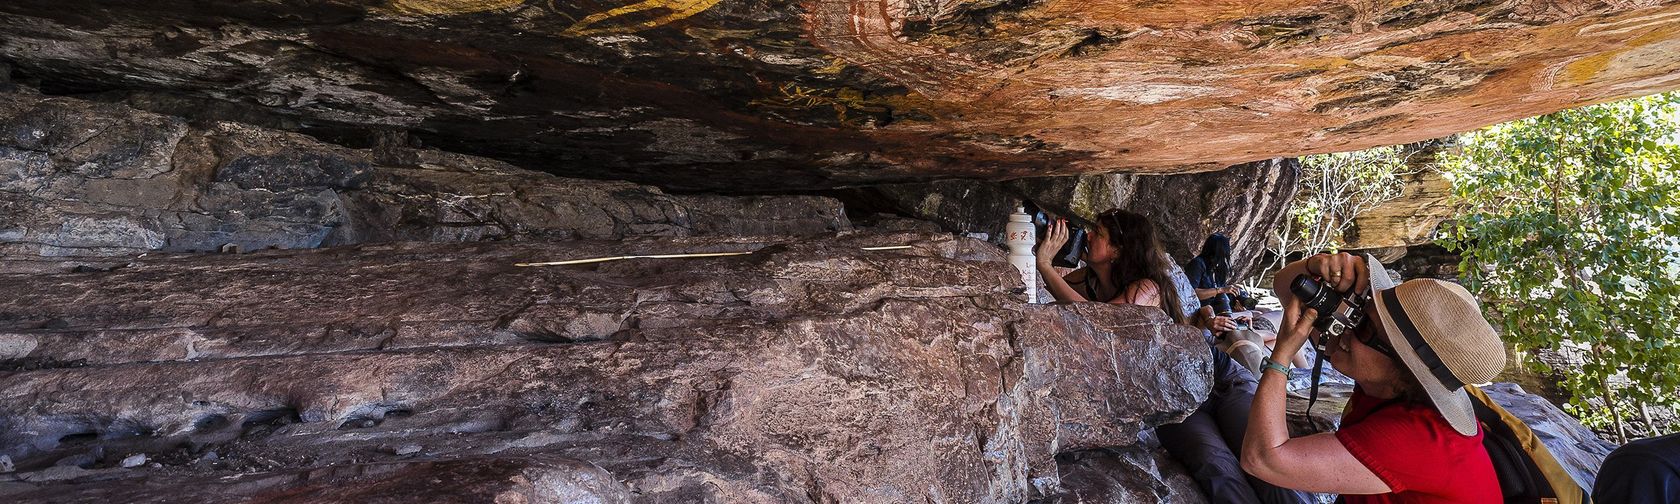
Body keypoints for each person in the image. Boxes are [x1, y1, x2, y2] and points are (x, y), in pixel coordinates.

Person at [1038, 209, 1309, 504]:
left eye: (1097, 233)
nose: (1088, 237)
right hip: (1173, 399)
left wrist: (1046, 266)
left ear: (1118, 248)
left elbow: (1101, 321)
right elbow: (1064, 296)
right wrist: (1045, 252)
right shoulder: (1088, 280)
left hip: (1221, 380)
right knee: (1214, 466)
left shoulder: (1147, 287)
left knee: (1262, 458)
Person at [1242, 252, 1505, 503]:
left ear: (1406, 370)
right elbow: (1287, 289)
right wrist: (1318, 266)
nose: (1348, 329)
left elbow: (1261, 459)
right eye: (1360, 311)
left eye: (1365, 326)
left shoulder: (1416, 440)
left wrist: (1282, 356)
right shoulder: (1390, 385)